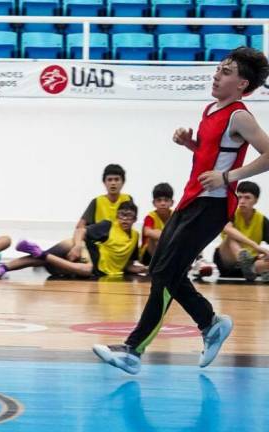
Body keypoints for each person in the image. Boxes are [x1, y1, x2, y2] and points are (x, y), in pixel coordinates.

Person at [93, 47, 269, 375]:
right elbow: (213, 154)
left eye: (226, 71)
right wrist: (191, 144)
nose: (217, 74)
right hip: (190, 201)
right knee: (161, 268)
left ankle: (133, 350)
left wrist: (229, 177)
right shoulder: (211, 109)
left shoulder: (240, 115)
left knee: (165, 273)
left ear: (242, 85)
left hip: (212, 206)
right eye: (218, 68)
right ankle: (210, 323)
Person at [0, 201, 146, 279]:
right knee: (80, 261)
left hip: (85, 267)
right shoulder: (108, 225)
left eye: (129, 216)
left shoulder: (135, 237)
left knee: (41, 259)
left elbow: (127, 264)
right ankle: (1, 268)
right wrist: (77, 247)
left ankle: (3, 267)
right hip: (85, 253)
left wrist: (145, 269)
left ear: (135, 219)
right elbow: (81, 230)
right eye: (122, 215)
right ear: (117, 216)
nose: (125, 219)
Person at [67, 164, 134, 263]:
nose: (113, 183)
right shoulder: (97, 201)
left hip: (118, 248)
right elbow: (80, 227)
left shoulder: (128, 199)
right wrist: (78, 245)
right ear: (104, 182)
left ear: (123, 182)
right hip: (99, 248)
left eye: (116, 179)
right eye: (110, 180)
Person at [213, 181, 269, 281]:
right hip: (226, 260)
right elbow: (227, 229)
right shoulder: (230, 213)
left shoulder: (262, 220)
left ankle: (252, 268)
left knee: (264, 259)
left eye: (247, 197)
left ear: (255, 200)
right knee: (230, 235)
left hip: (251, 264)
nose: (242, 201)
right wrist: (255, 246)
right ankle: (242, 257)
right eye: (239, 197)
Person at [140, 183, 174, 265]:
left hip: (167, 252)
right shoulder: (150, 216)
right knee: (154, 237)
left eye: (166, 200)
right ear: (154, 203)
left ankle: (198, 261)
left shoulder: (175, 216)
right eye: (159, 200)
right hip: (148, 256)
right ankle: (159, 264)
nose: (163, 203)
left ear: (172, 202)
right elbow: (147, 232)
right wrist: (170, 236)